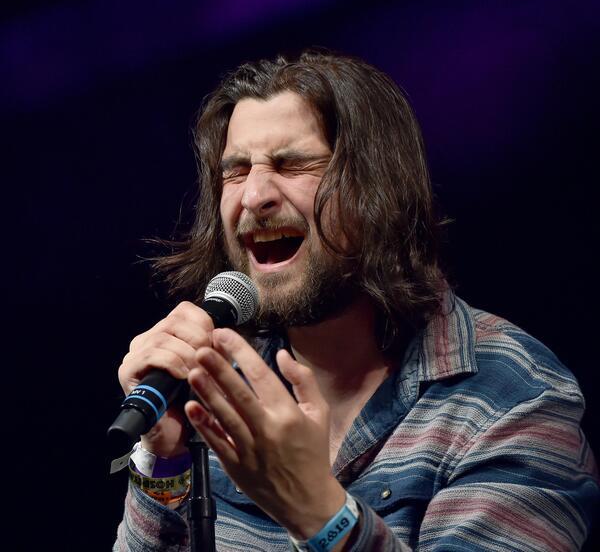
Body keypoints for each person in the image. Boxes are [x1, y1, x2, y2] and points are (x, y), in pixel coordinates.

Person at [113, 50, 599, 551]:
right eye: (235, 172)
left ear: (377, 187)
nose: (253, 196)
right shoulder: (210, 386)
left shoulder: (516, 397)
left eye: (291, 164)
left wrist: (315, 510)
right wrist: (163, 461)